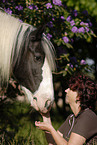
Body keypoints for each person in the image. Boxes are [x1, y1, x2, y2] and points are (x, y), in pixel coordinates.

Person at [35, 73, 97, 145]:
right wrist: (46, 116)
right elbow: (53, 142)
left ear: (78, 96)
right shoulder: (71, 118)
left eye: (70, 89)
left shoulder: (87, 117)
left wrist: (51, 129)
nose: (66, 90)